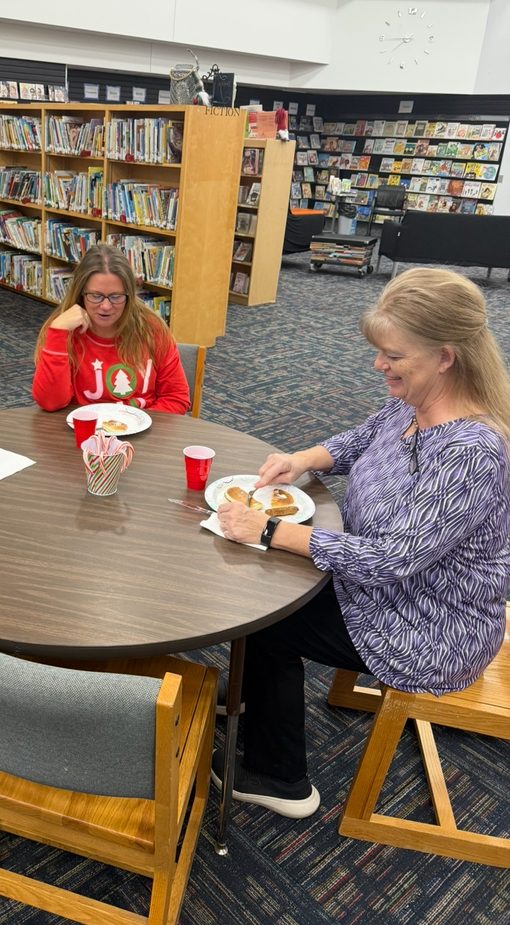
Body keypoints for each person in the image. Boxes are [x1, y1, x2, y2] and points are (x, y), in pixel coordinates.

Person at [212, 268, 510, 818]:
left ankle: (278, 778)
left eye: (393, 355)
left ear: (445, 356)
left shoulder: (471, 453)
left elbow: (392, 559)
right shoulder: (417, 403)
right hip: (390, 588)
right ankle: (251, 700)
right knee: (268, 582)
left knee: (267, 615)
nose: (379, 365)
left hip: (432, 626)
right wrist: (303, 460)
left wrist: (273, 531)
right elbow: (363, 437)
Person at [32, 245, 190, 413]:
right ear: (81, 293)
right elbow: (50, 403)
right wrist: (58, 333)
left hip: (143, 431)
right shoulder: (62, 330)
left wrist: (139, 424)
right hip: (83, 432)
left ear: (129, 295)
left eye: (116, 297)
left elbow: (176, 397)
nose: (106, 306)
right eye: (96, 296)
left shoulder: (152, 328)